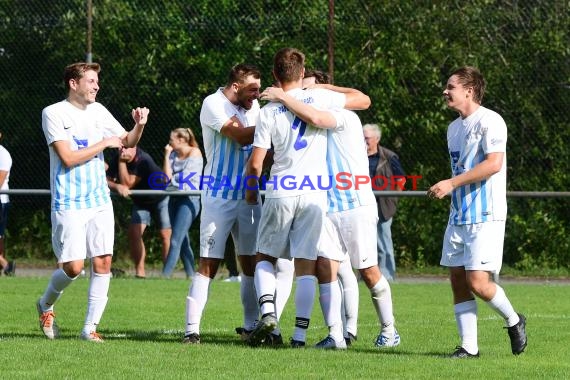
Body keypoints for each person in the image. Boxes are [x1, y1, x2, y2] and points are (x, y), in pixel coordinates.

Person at [259, 68, 399, 350]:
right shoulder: (311, 113)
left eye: (311, 91)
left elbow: (319, 115)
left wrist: (284, 97)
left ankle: (389, 329)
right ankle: (336, 336)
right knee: (325, 267)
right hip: (325, 204)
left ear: (325, 93)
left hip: (355, 204)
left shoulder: (343, 118)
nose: (307, 96)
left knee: (368, 270)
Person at [245, 48, 370, 347]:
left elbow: (256, 162)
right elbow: (363, 100)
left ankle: (268, 313)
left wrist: (252, 192)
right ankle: (299, 336)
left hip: (281, 189)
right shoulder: (320, 98)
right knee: (305, 265)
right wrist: (323, 87)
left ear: (275, 75)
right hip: (315, 192)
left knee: (265, 255)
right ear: (302, 73)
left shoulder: (268, 110)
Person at [38, 62, 149, 342]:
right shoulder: (53, 113)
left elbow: (127, 141)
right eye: (90, 81)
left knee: (103, 262)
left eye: (96, 81)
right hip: (69, 200)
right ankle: (45, 304)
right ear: (73, 84)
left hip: (99, 199)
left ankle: (90, 329)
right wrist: (105, 143)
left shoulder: (99, 110)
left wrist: (139, 125)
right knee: (74, 268)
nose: (96, 86)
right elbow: (68, 157)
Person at [428, 66, 527, 358]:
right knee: (457, 279)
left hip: (486, 215)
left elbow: (493, 164)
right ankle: (469, 348)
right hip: (459, 214)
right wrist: (451, 188)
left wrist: (451, 183)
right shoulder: (453, 128)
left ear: (469, 91)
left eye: (451, 87)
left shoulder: (491, 121)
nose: (445, 91)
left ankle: (514, 319)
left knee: (479, 283)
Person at [182, 63, 264, 344]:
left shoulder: (255, 108)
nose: (257, 94)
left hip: (249, 195)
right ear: (236, 86)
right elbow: (241, 135)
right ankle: (191, 330)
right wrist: (276, 120)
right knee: (210, 263)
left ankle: (251, 326)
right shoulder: (212, 103)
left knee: (251, 262)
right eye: (253, 89)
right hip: (218, 195)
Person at [106, 146, 171, 278]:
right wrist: (116, 186)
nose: (123, 152)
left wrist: (122, 162)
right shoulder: (118, 157)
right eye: (121, 149)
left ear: (134, 147)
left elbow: (128, 183)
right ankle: (140, 273)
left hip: (160, 198)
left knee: (165, 235)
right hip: (141, 201)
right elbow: (106, 181)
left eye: (126, 148)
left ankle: (167, 274)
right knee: (134, 233)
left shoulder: (143, 159)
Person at [363, 123, 406, 282]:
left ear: (376, 139)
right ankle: (365, 276)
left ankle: (387, 275)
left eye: (366, 138)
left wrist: (393, 197)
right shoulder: (355, 156)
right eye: (362, 138)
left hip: (383, 205)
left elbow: (400, 179)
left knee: (384, 241)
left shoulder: (389, 156)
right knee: (365, 242)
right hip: (362, 204)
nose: (364, 141)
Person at [161, 127, 203, 279]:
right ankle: (192, 276)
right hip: (174, 198)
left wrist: (172, 180)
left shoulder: (195, 153)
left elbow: (185, 180)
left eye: (172, 140)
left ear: (181, 140)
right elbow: (166, 179)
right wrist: (166, 157)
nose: (169, 143)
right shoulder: (172, 154)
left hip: (189, 199)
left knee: (175, 240)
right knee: (182, 240)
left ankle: (164, 277)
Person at [0, 132, 15, 276]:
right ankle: (5, 266)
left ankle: (5, 265)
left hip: (1, 201)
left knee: (0, 236)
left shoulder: (3, 154)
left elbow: (0, 180)